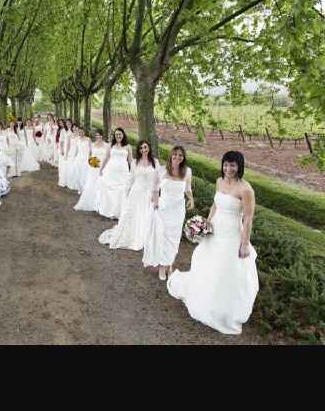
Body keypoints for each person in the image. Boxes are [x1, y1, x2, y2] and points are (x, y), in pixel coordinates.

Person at [167, 150, 259, 335]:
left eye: (232, 165)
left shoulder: (246, 189)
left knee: (225, 269)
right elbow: (216, 204)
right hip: (215, 229)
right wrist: (206, 223)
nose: (228, 168)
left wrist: (244, 243)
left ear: (239, 166)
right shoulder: (219, 181)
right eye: (226, 164)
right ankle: (203, 299)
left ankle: (222, 310)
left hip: (232, 233)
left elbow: (248, 219)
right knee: (205, 262)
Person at [143, 144, 194, 280]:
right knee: (162, 236)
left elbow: (188, 189)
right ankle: (162, 266)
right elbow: (154, 189)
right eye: (175, 154)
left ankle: (169, 264)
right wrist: (155, 203)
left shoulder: (187, 171)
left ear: (183, 158)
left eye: (180, 155)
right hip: (164, 208)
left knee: (174, 239)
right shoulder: (161, 170)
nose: (177, 157)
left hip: (178, 210)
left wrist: (191, 199)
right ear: (171, 155)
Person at [99, 140, 161, 249]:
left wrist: (156, 195)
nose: (143, 150)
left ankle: (144, 237)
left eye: (145, 147)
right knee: (133, 214)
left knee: (146, 215)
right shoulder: (134, 162)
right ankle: (131, 237)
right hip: (136, 192)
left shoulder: (155, 162)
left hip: (149, 194)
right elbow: (130, 179)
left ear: (149, 148)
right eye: (141, 148)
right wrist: (126, 193)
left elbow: (158, 180)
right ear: (138, 150)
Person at [97, 127, 132, 219]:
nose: (118, 136)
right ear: (114, 136)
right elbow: (106, 158)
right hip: (111, 171)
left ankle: (119, 212)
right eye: (116, 135)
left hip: (123, 172)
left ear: (123, 135)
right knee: (110, 190)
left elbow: (130, 161)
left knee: (121, 190)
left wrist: (133, 172)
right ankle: (111, 211)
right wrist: (101, 169)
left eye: (120, 134)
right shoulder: (110, 146)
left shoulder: (128, 147)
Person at [74, 129, 109, 212]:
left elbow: (107, 157)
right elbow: (91, 156)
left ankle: (101, 203)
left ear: (102, 136)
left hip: (103, 166)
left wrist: (103, 166)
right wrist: (92, 164)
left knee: (101, 183)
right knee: (92, 183)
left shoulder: (106, 145)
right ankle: (92, 202)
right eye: (97, 135)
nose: (98, 136)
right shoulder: (93, 145)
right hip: (94, 167)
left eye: (99, 135)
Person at [67, 127, 91, 192]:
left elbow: (90, 151)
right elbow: (77, 150)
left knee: (85, 172)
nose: (81, 133)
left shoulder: (88, 139)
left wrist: (89, 158)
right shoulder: (78, 140)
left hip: (86, 158)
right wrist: (74, 157)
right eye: (80, 132)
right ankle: (79, 186)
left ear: (84, 132)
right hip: (79, 157)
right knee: (78, 172)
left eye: (82, 132)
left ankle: (84, 187)